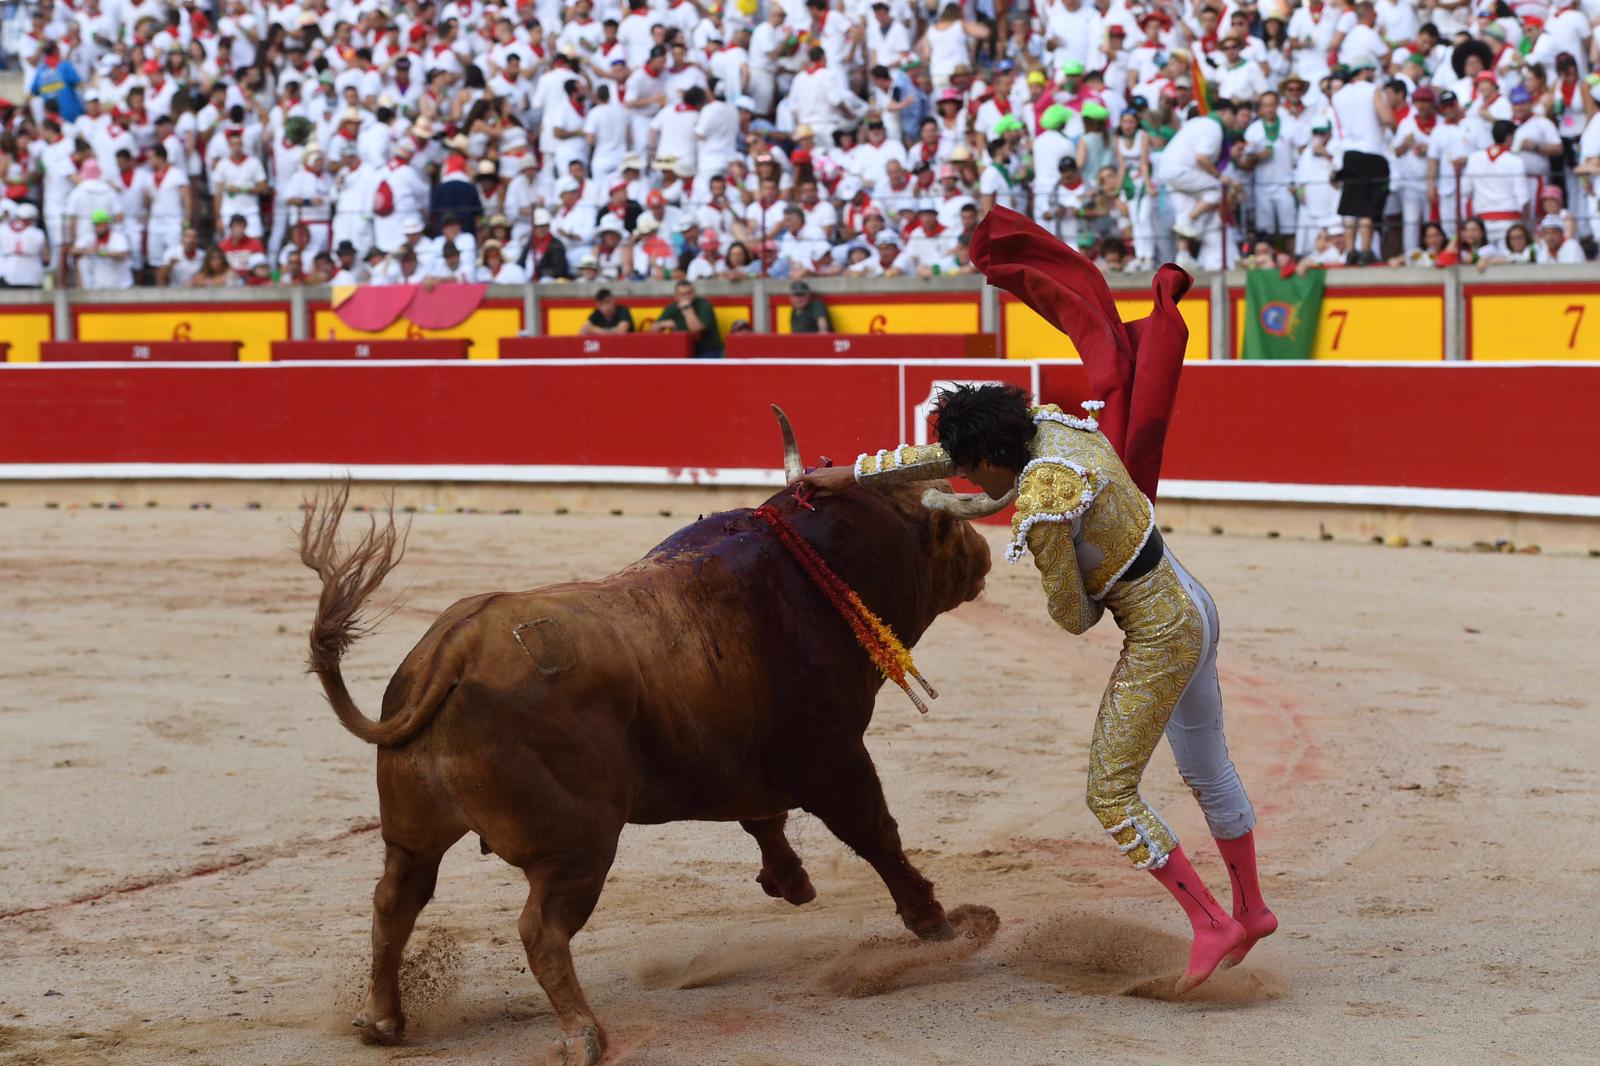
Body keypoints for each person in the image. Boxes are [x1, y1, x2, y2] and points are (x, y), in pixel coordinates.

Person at [799, 382, 1275, 997]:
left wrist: (1045, 537)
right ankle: (1251, 907)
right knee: (1210, 770)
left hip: (1161, 636)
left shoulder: (1046, 501)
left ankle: (1211, 923)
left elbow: (1076, 617)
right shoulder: (1054, 428)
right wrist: (855, 475)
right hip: (1194, 603)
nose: (969, 480)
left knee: (1111, 794)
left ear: (994, 458)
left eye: (973, 472)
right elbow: (948, 459)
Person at [651, 279, 722, 357]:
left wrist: (687, 308)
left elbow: (695, 329)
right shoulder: (672, 307)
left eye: (689, 293)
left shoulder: (704, 305)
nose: (686, 297)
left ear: (694, 293)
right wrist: (663, 324)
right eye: (682, 294)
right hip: (681, 349)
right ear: (676, 296)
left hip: (707, 350)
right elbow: (653, 328)